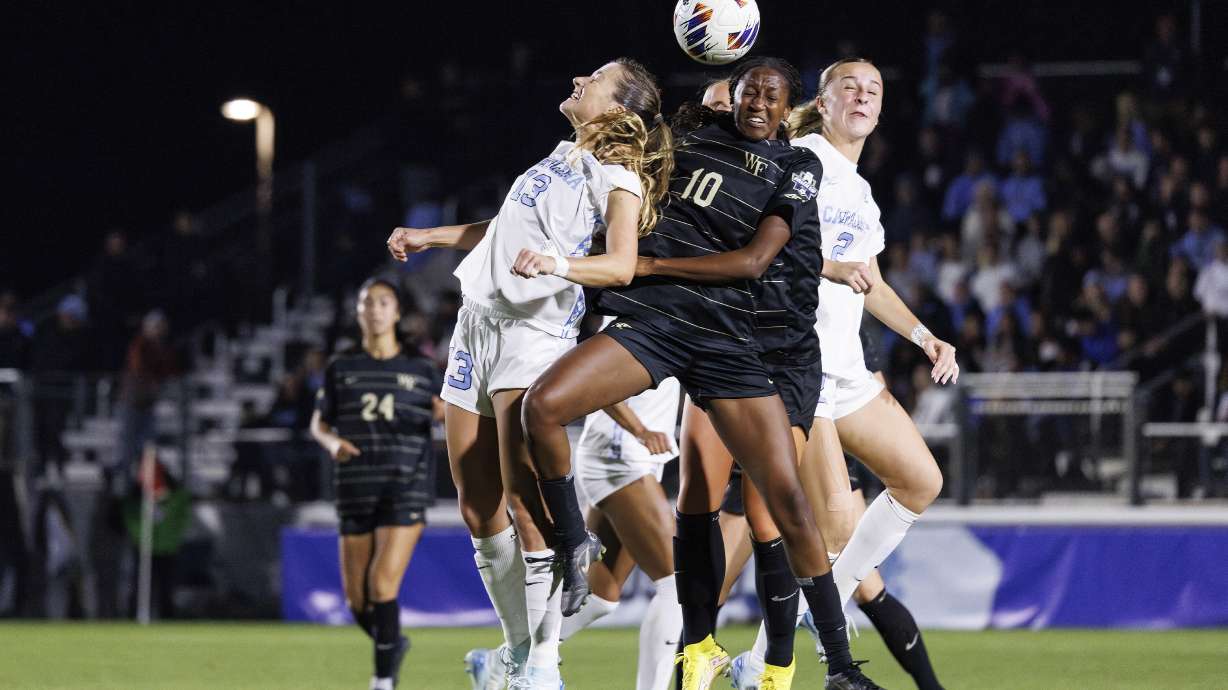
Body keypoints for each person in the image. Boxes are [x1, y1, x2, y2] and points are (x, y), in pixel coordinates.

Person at [517, 57, 880, 690]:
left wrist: (651, 268)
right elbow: (627, 132)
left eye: (771, 95)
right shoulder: (681, 142)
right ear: (729, 97)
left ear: (788, 107)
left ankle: (838, 667)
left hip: (727, 341)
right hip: (654, 327)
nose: (757, 103)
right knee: (542, 407)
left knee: (786, 504)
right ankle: (576, 546)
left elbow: (755, 261)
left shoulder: (797, 166)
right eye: (746, 92)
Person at [386, 58, 672, 689]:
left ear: (620, 107)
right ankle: (519, 652)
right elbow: (505, 234)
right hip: (475, 325)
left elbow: (622, 265)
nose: (577, 79)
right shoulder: (560, 155)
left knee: (525, 503)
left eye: (594, 78)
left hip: (533, 332)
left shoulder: (619, 175)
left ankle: (544, 664)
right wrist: (433, 236)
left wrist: (559, 265)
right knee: (477, 507)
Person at [731, 57, 955, 690]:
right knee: (833, 521)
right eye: (849, 87)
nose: (862, 96)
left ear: (881, 111)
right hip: (801, 366)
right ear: (823, 103)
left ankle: (803, 614)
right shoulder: (798, 160)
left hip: (850, 368)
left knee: (921, 480)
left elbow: (873, 283)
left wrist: (924, 336)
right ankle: (772, 656)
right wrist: (826, 264)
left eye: (873, 90)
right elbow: (765, 247)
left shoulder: (859, 188)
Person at [309, 277, 445, 690]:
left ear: (397, 312)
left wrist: (446, 415)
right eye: (367, 302)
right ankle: (392, 643)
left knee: (382, 583)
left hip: (405, 484)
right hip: (355, 486)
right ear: (357, 312)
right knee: (357, 601)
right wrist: (331, 442)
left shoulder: (422, 369)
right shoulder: (341, 367)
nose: (374, 309)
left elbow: (448, 411)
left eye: (383, 302)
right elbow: (319, 421)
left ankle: (382, 680)